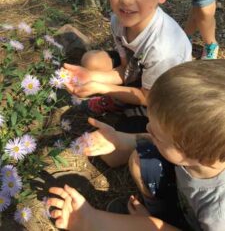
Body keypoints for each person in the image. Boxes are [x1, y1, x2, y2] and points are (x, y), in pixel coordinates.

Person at [47, 59, 225, 231]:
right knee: (141, 159)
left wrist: (92, 222)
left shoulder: (219, 215)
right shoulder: (205, 151)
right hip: (187, 199)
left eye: (158, 134)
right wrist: (120, 139)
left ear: (203, 157)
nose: (147, 127)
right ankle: (161, 214)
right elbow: (155, 141)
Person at [63, 0, 191, 132]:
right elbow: (126, 71)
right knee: (91, 61)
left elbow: (150, 98)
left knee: (116, 151)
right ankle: (121, 102)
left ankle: (126, 108)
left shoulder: (164, 49)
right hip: (142, 77)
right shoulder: (118, 20)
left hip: (162, 97)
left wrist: (103, 87)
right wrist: (90, 77)